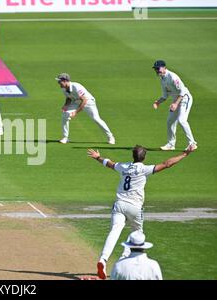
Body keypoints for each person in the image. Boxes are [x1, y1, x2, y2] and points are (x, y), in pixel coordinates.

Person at [87, 144, 195, 279]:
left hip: (119, 205)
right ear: (144, 157)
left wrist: (98, 157)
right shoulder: (145, 169)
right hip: (135, 207)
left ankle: (103, 259)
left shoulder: (124, 166)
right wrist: (185, 154)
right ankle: (123, 259)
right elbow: (167, 164)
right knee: (137, 234)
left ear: (133, 156)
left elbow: (110, 164)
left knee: (114, 231)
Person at [56, 73, 115, 144]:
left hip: (88, 102)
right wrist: (65, 105)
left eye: (60, 81)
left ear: (65, 81)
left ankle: (110, 136)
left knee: (96, 119)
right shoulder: (64, 88)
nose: (59, 83)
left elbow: (84, 100)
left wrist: (75, 112)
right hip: (76, 101)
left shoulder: (76, 87)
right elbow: (69, 97)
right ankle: (65, 137)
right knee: (65, 115)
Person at [152, 60, 198, 151]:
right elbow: (165, 95)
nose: (157, 71)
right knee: (170, 121)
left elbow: (183, 91)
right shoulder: (162, 79)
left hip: (185, 98)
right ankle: (171, 144)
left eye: (158, 68)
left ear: (164, 67)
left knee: (182, 120)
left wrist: (176, 104)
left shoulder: (172, 77)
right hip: (176, 101)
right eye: (156, 69)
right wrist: (158, 102)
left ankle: (192, 143)